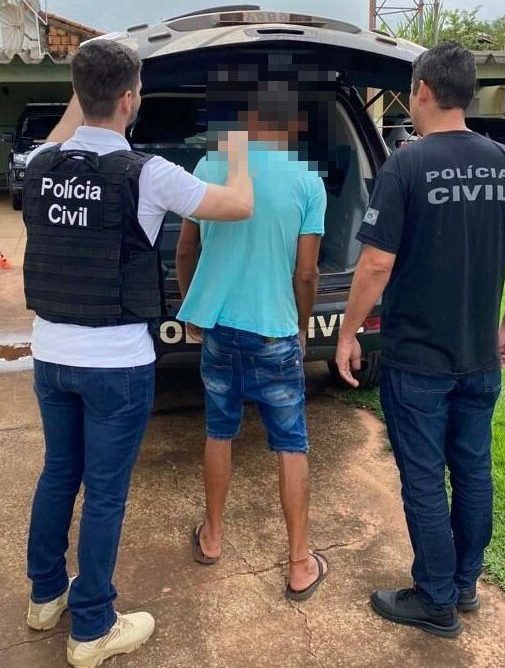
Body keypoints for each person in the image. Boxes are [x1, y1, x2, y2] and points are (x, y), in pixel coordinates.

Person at [23, 39, 253, 668]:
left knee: (58, 474)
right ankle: (93, 626)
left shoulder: (39, 163)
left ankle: (45, 597)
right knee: (104, 493)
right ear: (130, 100)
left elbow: (67, 129)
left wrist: (88, 83)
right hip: (116, 365)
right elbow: (238, 205)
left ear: (80, 93)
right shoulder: (148, 173)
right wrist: (238, 147)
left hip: (51, 356)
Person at [336, 43, 505, 638]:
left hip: (418, 361)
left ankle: (435, 599)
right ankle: (463, 584)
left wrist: (349, 331)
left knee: (425, 477)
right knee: (473, 471)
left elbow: (376, 264)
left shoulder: (407, 165)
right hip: (480, 357)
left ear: (422, 90)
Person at [176, 84, 329, 600]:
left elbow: (186, 251)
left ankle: (213, 537)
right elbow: (306, 273)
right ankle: (299, 564)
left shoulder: (209, 167)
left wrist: (193, 307)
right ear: (292, 128)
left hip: (219, 327)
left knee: (219, 430)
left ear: (248, 121)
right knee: (291, 443)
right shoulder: (308, 181)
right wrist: (301, 326)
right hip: (275, 330)